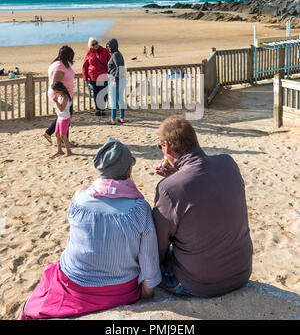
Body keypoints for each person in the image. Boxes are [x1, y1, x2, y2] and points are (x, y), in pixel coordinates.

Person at [21, 138, 161, 320]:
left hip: (74, 283)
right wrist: (147, 293)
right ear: (130, 169)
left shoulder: (79, 197)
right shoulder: (139, 208)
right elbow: (148, 261)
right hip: (119, 289)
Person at [153, 115, 253, 298]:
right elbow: (202, 189)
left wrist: (173, 181)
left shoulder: (169, 189)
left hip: (198, 284)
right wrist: (177, 175)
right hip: (241, 273)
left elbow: (158, 245)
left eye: (160, 146)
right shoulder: (229, 163)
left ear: (166, 146)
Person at [43, 46, 75, 145]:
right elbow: (55, 83)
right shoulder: (60, 66)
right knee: (65, 116)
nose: (72, 58)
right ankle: (64, 141)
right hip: (62, 95)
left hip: (64, 94)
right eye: (71, 56)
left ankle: (50, 133)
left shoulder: (58, 63)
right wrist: (62, 94)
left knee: (63, 116)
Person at [82, 38, 111, 117]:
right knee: (96, 93)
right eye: (93, 44)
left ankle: (102, 109)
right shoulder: (88, 53)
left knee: (103, 93)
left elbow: (110, 62)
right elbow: (84, 66)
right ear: (90, 46)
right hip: (93, 77)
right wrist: (85, 79)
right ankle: (98, 109)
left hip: (103, 76)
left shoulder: (105, 51)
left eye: (96, 43)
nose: (95, 45)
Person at [106, 39, 126, 125]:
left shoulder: (115, 55)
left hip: (115, 80)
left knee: (114, 100)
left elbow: (119, 67)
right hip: (121, 79)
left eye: (109, 46)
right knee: (119, 99)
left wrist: (115, 80)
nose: (109, 48)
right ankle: (122, 118)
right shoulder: (118, 54)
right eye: (108, 47)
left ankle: (113, 119)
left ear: (114, 46)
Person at [51, 81, 73, 158]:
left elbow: (62, 109)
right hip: (60, 117)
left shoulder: (65, 97)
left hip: (65, 118)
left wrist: (56, 101)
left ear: (60, 90)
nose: (55, 93)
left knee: (63, 136)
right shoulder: (61, 96)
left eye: (56, 91)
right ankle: (59, 150)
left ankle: (69, 151)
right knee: (57, 134)